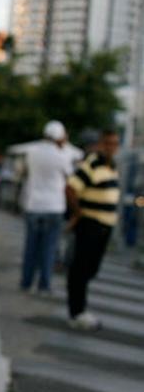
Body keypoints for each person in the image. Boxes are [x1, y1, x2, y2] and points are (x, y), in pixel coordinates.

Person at [65, 129, 120, 331]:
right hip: (91, 223)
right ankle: (77, 311)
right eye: (107, 143)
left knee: (91, 268)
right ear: (100, 144)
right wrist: (78, 213)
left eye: (114, 144)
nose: (111, 148)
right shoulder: (92, 164)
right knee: (81, 268)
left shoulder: (112, 166)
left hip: (105, 225)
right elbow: (70, 188)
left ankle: (79, 307)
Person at [20, 121, 73, 294]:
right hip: (54, 206)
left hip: (33, 204)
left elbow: (26, 173)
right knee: (49, 248)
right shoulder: (63, 156)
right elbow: (69, 179)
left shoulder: (31, 152)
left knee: (31, 247)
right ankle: (44, 283)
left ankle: (26, 282)